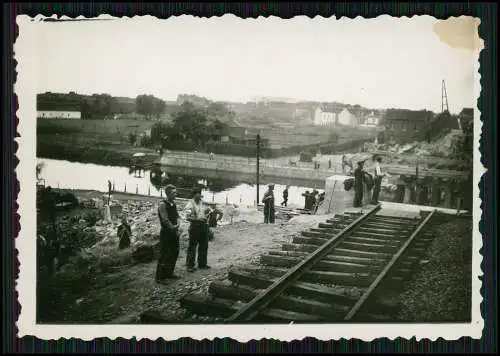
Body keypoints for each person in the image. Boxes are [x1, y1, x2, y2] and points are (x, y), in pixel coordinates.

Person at [155, 184, 181, 283]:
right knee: (164, 254)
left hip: (174, 232)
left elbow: (177, 216)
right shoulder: (162, 204)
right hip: (166, 232)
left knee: (174, 252)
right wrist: (173, 227)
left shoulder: (173, 203)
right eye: (174, 193)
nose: (176, 194)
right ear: (168, 194)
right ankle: (160, 277)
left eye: (176, 192)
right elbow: (165, 219)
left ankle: (169, 273)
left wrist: (178, 225)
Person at [185, 188, 210, 272]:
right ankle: (189, 265)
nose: (200, 196)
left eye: (200, 193)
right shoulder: (190, 204)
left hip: (203, 227)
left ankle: (202, 264)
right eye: (198, 194)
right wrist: (199, 220)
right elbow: (187, 217)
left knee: (204, 245)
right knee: (192, 246)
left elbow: (203, 213)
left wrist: (207, 213)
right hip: (195, 227)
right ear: (194, 194)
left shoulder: (202, 203)